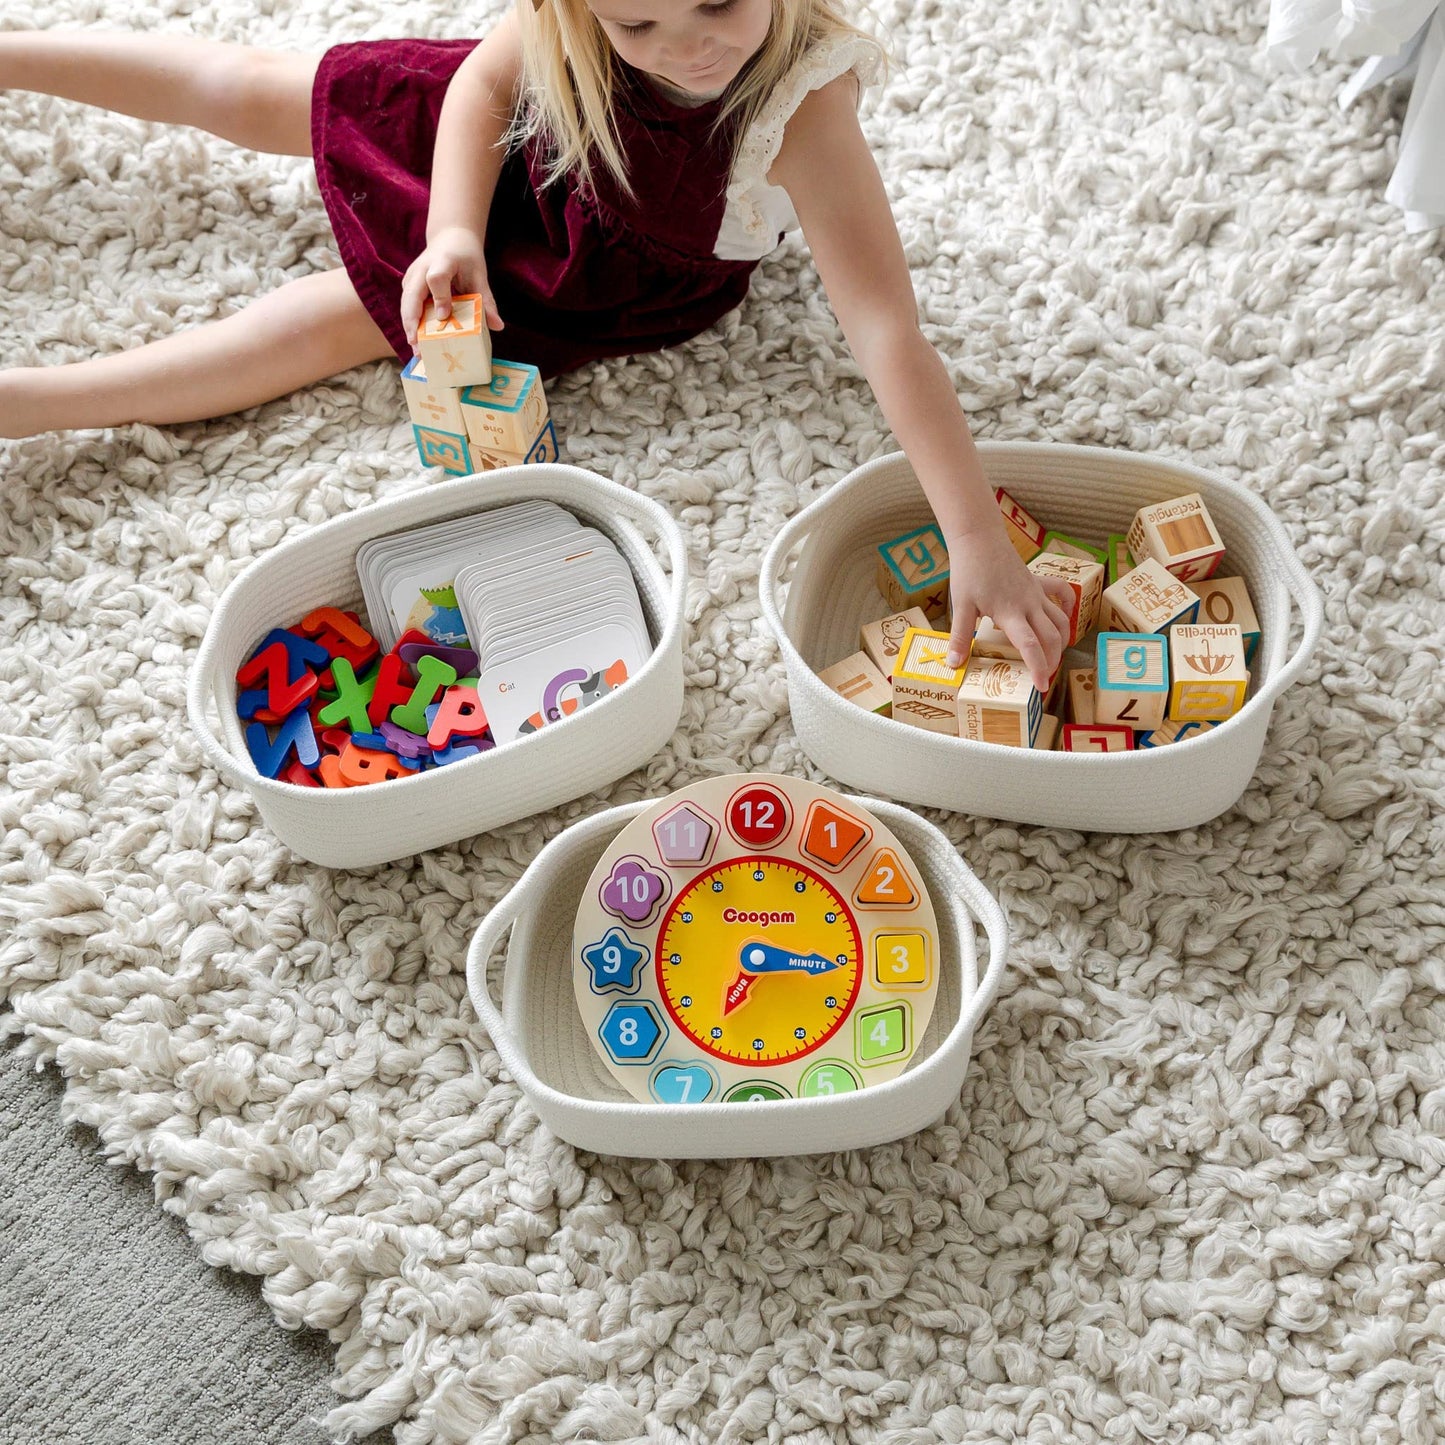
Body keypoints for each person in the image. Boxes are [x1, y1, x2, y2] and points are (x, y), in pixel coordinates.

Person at [0, 0, 1072, 681]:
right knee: (259, 87)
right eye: (636, 28)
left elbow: (887, 329)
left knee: (328, 325)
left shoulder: (804, 104)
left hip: (590, 271)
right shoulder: (570, 18)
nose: (685, 48)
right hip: (507, 159)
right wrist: (451, 226)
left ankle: (36, 401)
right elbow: (482, 83)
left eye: (715, 4)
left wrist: (973, 536)